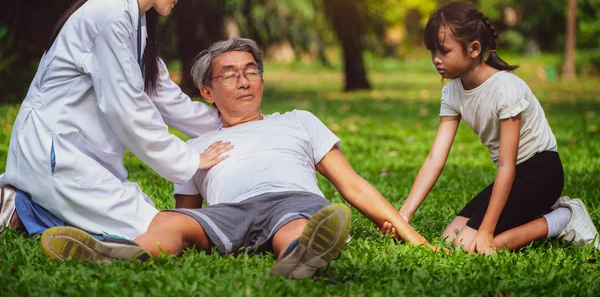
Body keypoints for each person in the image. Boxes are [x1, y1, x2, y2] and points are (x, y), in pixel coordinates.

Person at [39, 38, 433, 279]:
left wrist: (413, 238)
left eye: (251, 71)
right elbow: (188, 210)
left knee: (299, 225)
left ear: (262, 79)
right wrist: (186, 213)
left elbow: (353, 185)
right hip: (231, 212)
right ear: (208, 92)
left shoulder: (298, 121)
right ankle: (123, 253)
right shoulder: (195, 147)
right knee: (170, 221)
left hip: (292, 200)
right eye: (229, 75)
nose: (243, 80)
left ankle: (299, 256)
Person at [0, 0, 232, 239]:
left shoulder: (135, 22)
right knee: (151, 228)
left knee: (148, 217)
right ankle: (19, 206)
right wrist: (189, 159)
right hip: (54, 152)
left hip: (79, 154)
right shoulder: (109, 14)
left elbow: (164, 96)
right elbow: (126, 109)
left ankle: (23, 208)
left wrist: (227, 123)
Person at [381, 1, 599, 253]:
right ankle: (536, 212)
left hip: (541, 174)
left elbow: (507, 164)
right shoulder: (452, 91)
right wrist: (403, 217)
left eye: (444, 51)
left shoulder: (505, 88)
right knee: (449, 239)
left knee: (471, 246)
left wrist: (485, 230)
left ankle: (562, 219)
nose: (436, 60)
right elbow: (435, 159)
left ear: (474, 49)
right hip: (512, 176)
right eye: (432, 52)